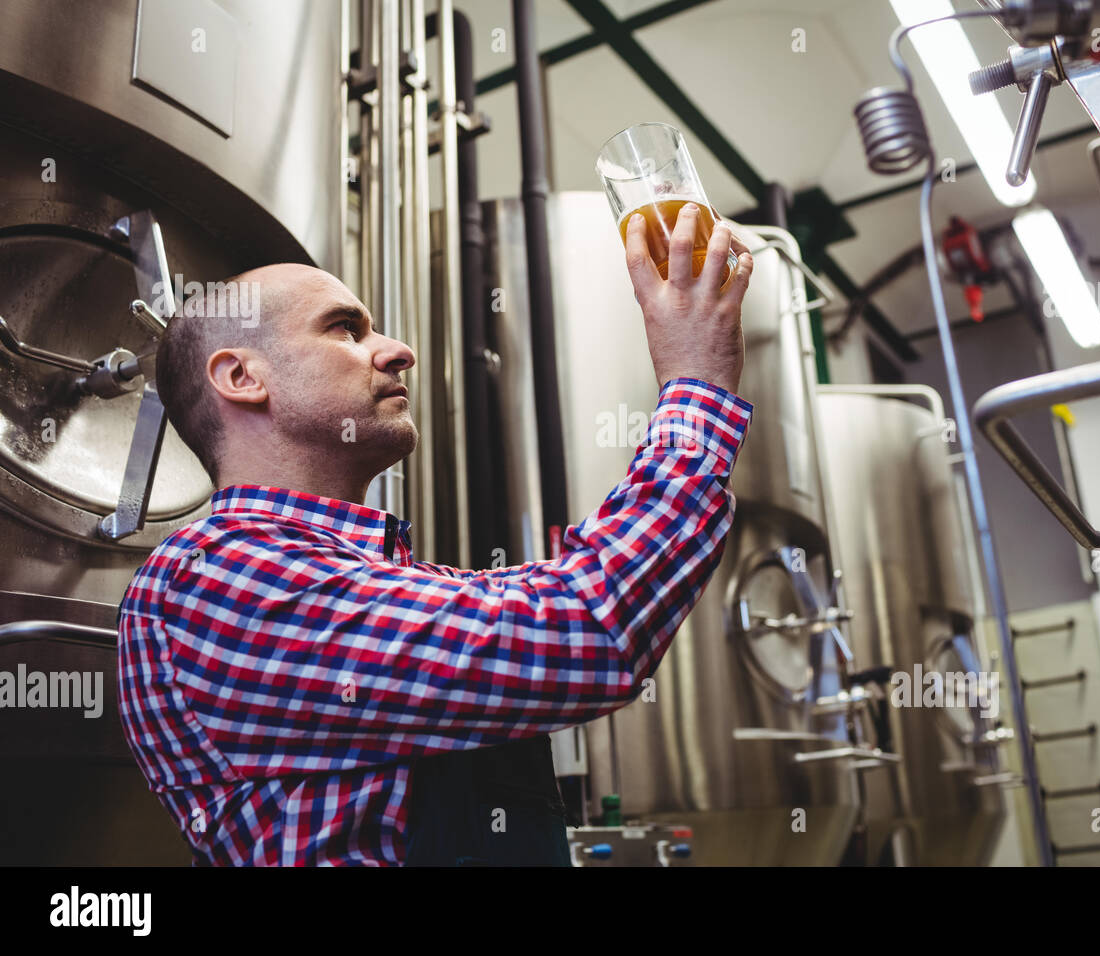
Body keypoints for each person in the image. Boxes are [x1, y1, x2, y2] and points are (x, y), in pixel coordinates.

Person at [117, 203, 755, 865]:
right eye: (346, 329)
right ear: (242, 378)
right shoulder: (213, 576)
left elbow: (565, 598)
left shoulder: (396, 584)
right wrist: (698, 386)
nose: (398, 351)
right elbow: (588, 625)